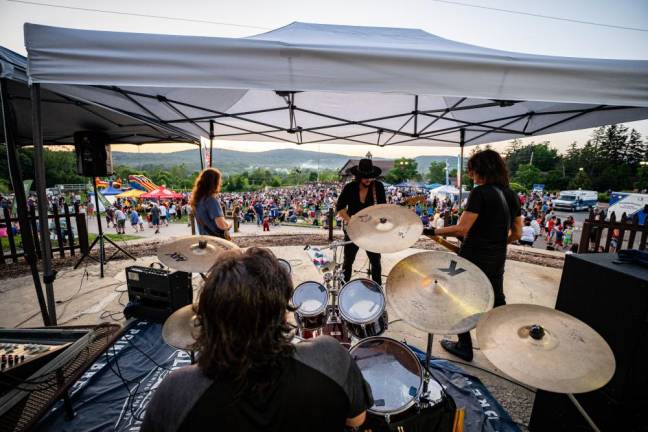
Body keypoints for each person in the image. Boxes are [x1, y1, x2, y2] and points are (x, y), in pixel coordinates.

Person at [140, 248, 372, 432]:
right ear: (282, 311)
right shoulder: (331, 358)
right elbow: (356, 419)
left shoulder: (175, 392)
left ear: (207, 318)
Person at [423, 149, 522, 361]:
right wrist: (494, 243)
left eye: (471, 170)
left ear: (481, 170)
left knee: (458, 298)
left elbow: (462, 229)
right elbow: (517, 233)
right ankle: (508, 345)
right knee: (497, 300)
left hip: (473, 258)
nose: (470, 175)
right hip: (497, 258)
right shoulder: (512, 195)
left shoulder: (480, 193)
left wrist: (433, 231)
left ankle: (464, 347)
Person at [335, 159, 386, 285]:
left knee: (375, 261)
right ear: (358, 176)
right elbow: (340, 207)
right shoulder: (350, 187)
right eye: (365, 177)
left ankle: (377, 289)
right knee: (348, 260)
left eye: (370, 177)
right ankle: (344, 287)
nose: (368, 180)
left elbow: (383, 208)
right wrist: (349, 220)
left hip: (371, 231)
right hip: (353, 229)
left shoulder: (378, 187)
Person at [190, 168, 231, 239]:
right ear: (215, 183)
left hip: (204, 239)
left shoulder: (197, 200)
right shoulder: (211, 200)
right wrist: (229, 225)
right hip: (216, 240)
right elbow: (221, 226)